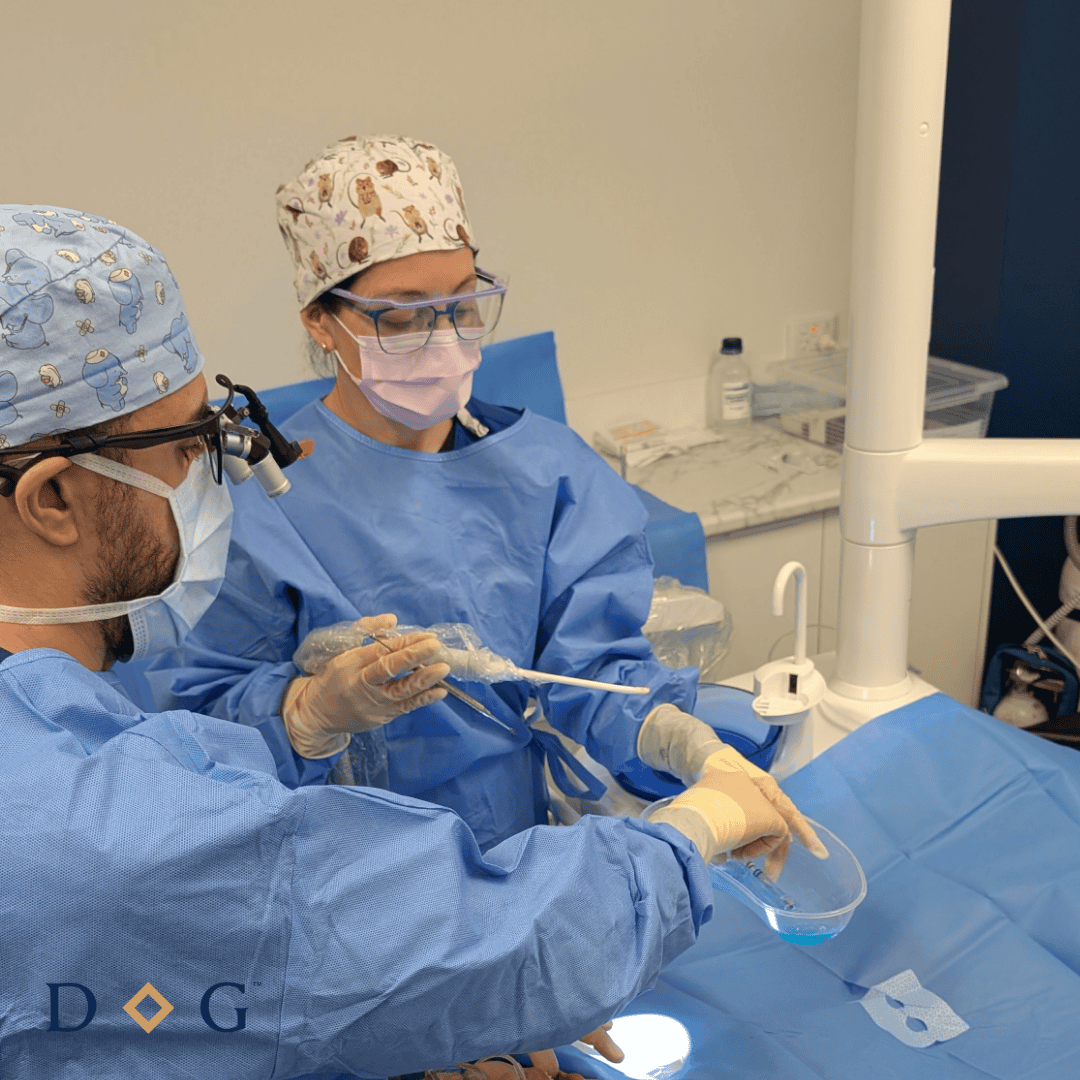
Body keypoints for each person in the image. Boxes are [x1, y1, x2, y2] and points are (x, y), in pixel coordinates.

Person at [0, 203, 823, 1079]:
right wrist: (686, 838)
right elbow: (289, 912)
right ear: (50, 499)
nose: (221, 474)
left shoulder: (58, 733)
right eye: (193, 445)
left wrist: (677, 743)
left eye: (463, 302)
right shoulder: (94, 835)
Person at [148, 135, 803, 858]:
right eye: (402, 315)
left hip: (514, 849)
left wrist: (691, 750)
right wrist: (310, 709)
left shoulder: (543, 471)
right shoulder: (261, 499)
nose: (444, 337)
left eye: (463, 305)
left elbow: (591, 676)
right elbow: (204, 729)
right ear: (319, 319)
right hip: (339, 873)